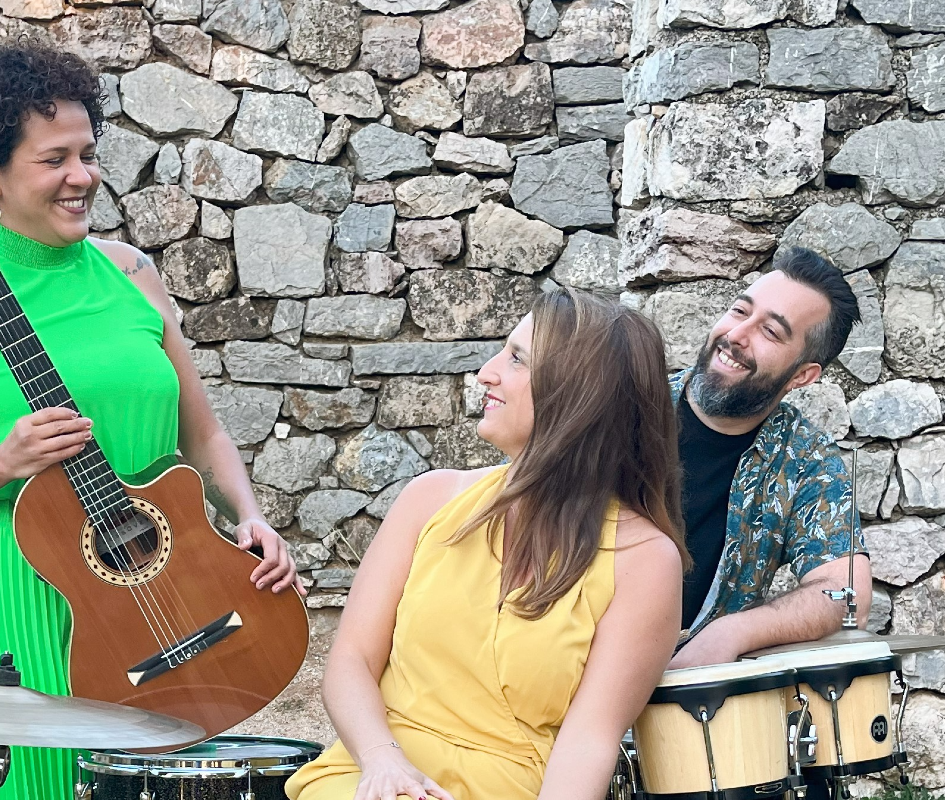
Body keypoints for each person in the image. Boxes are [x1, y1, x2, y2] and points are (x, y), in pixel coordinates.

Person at [0, 42, 299, 800]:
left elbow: (204, 435)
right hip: (25, 590)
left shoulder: (134, 273)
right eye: (54, 160)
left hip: (169, 589)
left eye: (89, 155)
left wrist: (253, 517)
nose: (82, 177)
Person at [287, 289, 686, 800]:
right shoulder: (429, 498)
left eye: (517, 359)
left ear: (579, 397)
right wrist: (382, 763)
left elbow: (589, 741)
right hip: (371, 777)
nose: (486, 372)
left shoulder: (645, 561)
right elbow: (350, 661)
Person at [667, 247, 872, 669]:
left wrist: (732, 632)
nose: (737, 335)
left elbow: (847, 594)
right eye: (740, 310)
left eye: (771, 332)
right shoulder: (621, 406)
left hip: (685, 707)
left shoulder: (805, 460)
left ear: (802, 375)